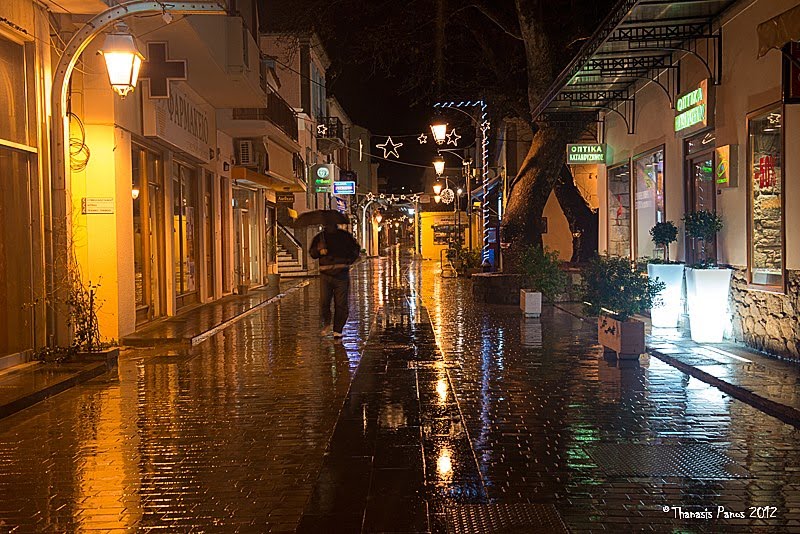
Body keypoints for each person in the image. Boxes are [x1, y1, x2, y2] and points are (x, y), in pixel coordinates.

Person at [309, 224, 361, 338]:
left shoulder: (345, 237)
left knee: (341, 303)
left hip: (341, 274)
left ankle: (338, 329)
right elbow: (312, 253)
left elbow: (355, 250)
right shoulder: (320, 237)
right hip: (325, 274)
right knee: (324, 302)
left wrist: (347, 261)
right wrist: (318, 250)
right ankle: (327, 323)